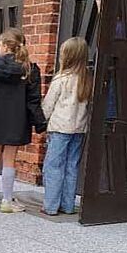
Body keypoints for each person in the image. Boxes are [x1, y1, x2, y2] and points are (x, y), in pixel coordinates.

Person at [0, 28, 47, 212]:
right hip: (17, 120)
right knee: (10, 159)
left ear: (5, 46)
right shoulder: (29, 69)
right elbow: (33, 100)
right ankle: (7, 201)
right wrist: (40, 123)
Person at [41, 37, 93, 215]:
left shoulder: (61, 79)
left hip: (59, 129)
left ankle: (50, 206)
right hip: (79, 129)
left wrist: (41, 121)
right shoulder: (87, 80)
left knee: (53, 166)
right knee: (72, 166)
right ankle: (68, 205)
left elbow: (48, 105)